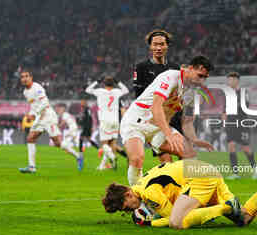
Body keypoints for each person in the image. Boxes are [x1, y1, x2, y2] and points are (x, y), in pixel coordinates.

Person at [102, 160, 257, 229]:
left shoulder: (148, 193)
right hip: (204, 172)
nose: (127, 210)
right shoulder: (143, 184)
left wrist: (150, 222)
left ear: (128, 194)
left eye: (124, 206)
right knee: (244, 219)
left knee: (176, 222)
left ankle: (226, 207)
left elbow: (173, 217)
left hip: (199, 178)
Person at [121, 56, 213, 186]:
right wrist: (169, 134)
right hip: (136, 122)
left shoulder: (192, 93)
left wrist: (195, 140)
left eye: (205, 78)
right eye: (200, 75)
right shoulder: (170, 77)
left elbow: (187, 122)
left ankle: (188, 196)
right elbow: (156, 107)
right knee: (137, 159)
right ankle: (138, 201)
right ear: (190, 68)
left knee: (190, 154)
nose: (201, 81)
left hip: (157, 127)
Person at [18, 69, 83, 173]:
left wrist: (34, 114)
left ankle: (78, 156)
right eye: (22, 77)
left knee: (57, 143)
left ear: (31, 78)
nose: (24, 79)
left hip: (48, 116)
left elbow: (44, 103)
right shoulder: (25, 92)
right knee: (30, 138)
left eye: (26, 76)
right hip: (39, 117)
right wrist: (31, 114)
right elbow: (33, 105)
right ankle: (31, 167)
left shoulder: (37, 88)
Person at [133, 29, 180, 164]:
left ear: (167, 46)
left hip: (174, 117)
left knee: (185, 157)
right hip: (155, 120)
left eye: (162, 44)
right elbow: (139, 97)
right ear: (150, 46)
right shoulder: (141, 67)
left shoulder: (175, 67)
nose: (158, 48)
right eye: (155, 44)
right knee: (166, 162)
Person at [86, 75, 129, 170]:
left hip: (105, 120)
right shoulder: (116, 92)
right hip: (115, 120)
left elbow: (88, 90)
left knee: (104, 144)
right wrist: (118, 82)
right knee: (112, 143)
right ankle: (105, 165)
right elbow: (126, 90)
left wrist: (97, 81)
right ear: (113, 84)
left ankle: (113, 158)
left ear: (103, 84)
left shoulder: (100, 92)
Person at [222, 72, 257, 180]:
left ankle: (255, 169)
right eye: (229, 80)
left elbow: (246, 105)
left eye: (232, 79)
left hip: (241, 123)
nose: (230, 82)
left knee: (245, 148)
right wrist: (224, 118)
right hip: (231, 123)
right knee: (231, 146)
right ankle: (235, 173)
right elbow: (225, 109)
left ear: (237, 80)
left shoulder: (243, 92)